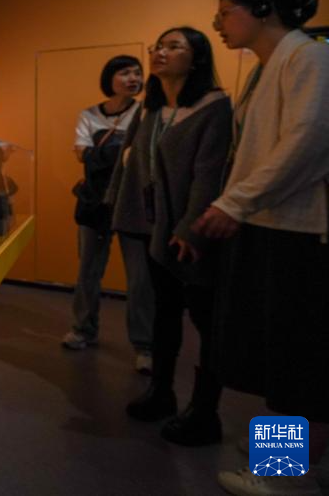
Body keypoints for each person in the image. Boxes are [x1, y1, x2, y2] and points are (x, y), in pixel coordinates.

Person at [194, 0, 327, 496]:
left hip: (298, 230)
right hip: (271, 224)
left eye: (226, 12)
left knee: (295, 355)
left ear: (263, 9)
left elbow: (307, 142)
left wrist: (237, 201)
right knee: (279, 349)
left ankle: (282, 473)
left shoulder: (308, 58)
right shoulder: (268, 67)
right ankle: (288, 455)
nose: (217, 23)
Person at [111, 27, 232, 446]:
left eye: (173, 46)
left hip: (192, 231)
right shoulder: (153, 108)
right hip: (155, 228)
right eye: (158, 46)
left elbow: (209, 172)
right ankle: (161, 392)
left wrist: (190, 226)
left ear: (197, 58)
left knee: (205, 319)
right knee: (164, 312)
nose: (160, 52)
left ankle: (205, 412)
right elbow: (133, 164)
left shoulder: (214, 106)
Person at [62, 56, 155, 375]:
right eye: (125, 72)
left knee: (140, 278)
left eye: (137, 73)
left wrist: (98, 154)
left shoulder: (147, 111)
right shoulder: (89, 114)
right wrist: (122, 151)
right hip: (95, 201)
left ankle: (144, 345)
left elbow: (142, 155)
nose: (133, 78)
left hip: (133, 202)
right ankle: (82, 329)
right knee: (88, 270)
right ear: (110, 78)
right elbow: (81, 155)